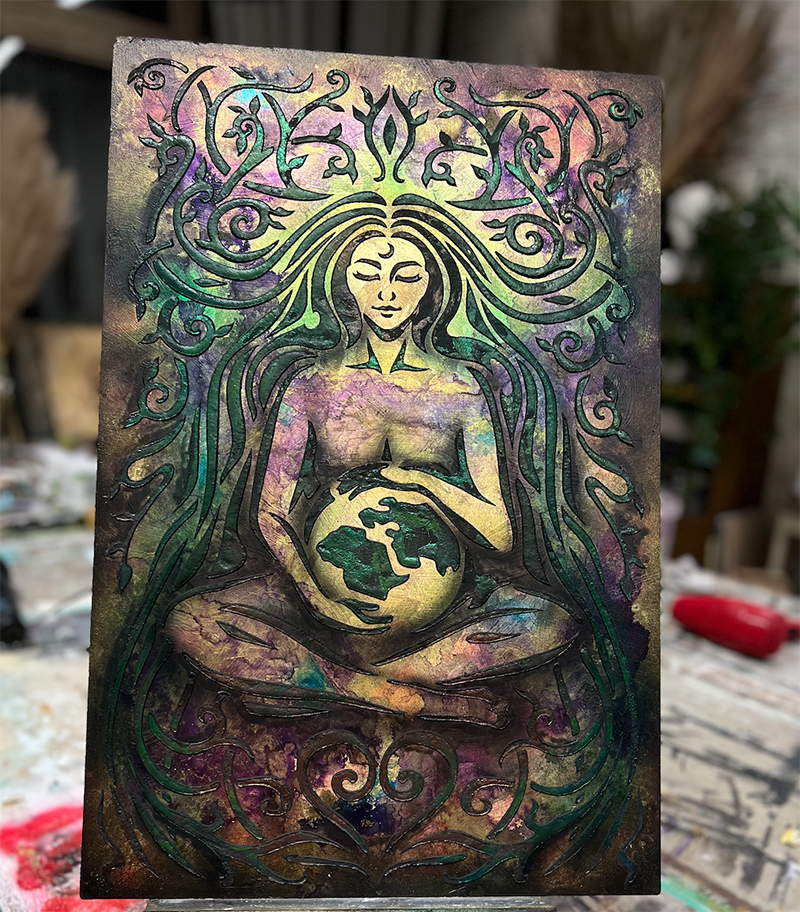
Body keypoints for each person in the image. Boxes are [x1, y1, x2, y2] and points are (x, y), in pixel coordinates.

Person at [165, 226, 581, 728]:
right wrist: (317, 598)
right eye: (367, 275)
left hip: (442, 617)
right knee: (190, 622)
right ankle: (412, 698)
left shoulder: (461, 387)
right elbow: (271, 511)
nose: (387, 292)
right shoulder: (311, 384)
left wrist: (421, 482)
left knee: (550, 623)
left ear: (431, 289)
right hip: (317, 601)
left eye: (406, 276)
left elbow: (499, 532)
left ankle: (335, 685)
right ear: (343, 286)